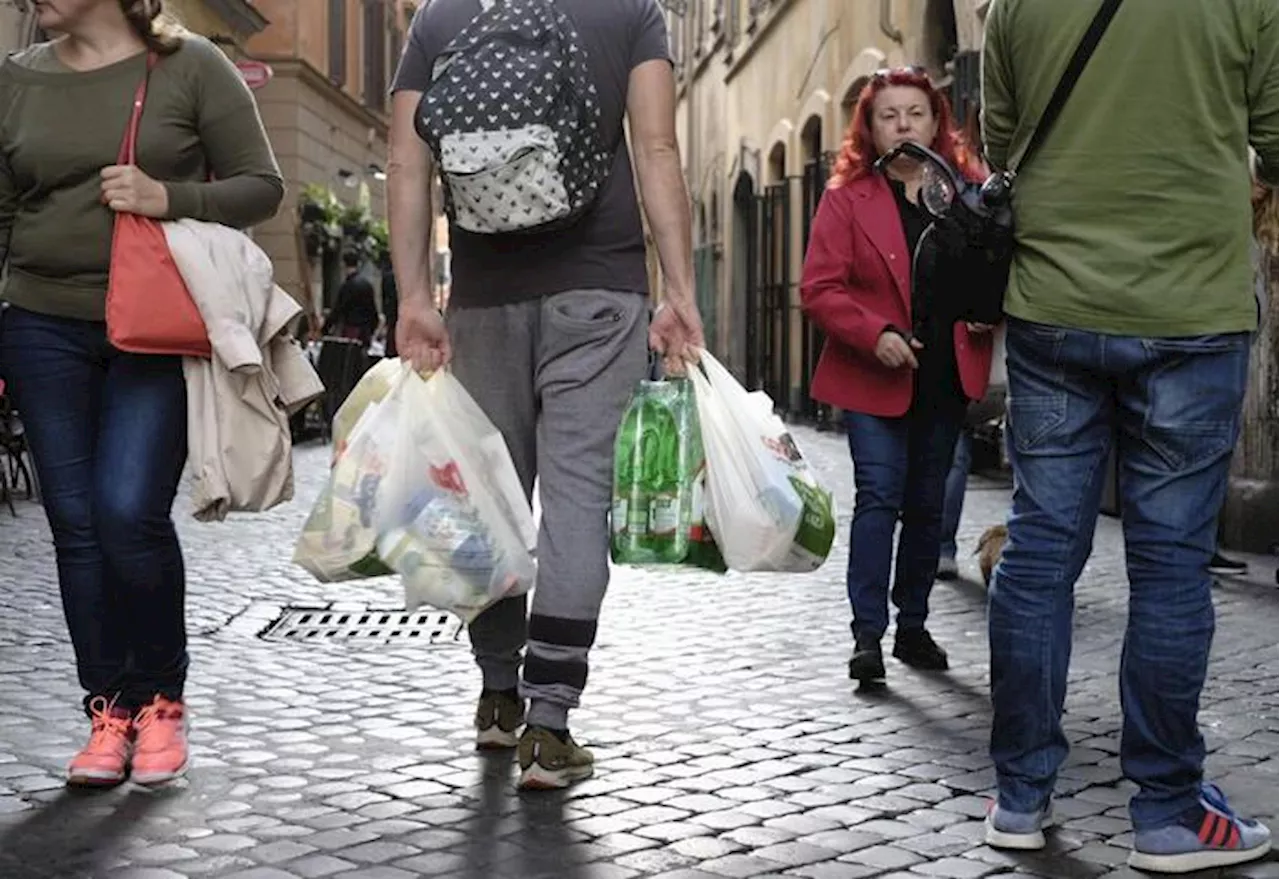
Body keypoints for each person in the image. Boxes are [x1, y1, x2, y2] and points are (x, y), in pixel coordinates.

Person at [981, 0, 1279, 869]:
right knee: (1171, 565)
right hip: (1192, 308)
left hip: (1052, 306)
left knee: (1038, 552)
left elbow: (1002, 146)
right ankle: (1167, 812)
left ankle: (1019, 798)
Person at [388, 0, 703, 790]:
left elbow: (405, 164)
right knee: (575, 504)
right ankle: (548, 725)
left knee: (488, 503)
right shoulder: (630, 13)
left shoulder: (440, 18)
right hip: (600, 294)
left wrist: (415, 296)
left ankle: (497, 696)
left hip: (485, 298)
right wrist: (680, 287)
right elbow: (657, 147)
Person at [0, 0, 282, 787]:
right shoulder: (15, 81)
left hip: (153, 327)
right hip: (40, 326)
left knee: (127, 509)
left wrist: (171, 197)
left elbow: (264, 188)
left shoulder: (193, 67)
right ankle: (109, 709)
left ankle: (160, 697)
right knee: (76, 524)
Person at [800, 67, 995, 684]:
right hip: (875, 376)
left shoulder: (968, 192)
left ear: (937, 123)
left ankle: (912, 623)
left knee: (927, 506)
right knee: (879, 498)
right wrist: (874, 333)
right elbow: (819, 289)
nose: (904, 124)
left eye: (916, 113)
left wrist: (988, 312)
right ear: (871, 127)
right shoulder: (845, 198)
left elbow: (997, 269)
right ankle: (867, 636)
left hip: (943, 372)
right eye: (889, 115)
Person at [321, 251, 380, 347]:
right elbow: (373, 310)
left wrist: (325, 328)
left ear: (344, 265)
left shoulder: (347, 286)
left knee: (350, 357)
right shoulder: (367, 285)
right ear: (358, 264)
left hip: (351, 329)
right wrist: (372, 328)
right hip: (365, 330)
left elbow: (338, 309)